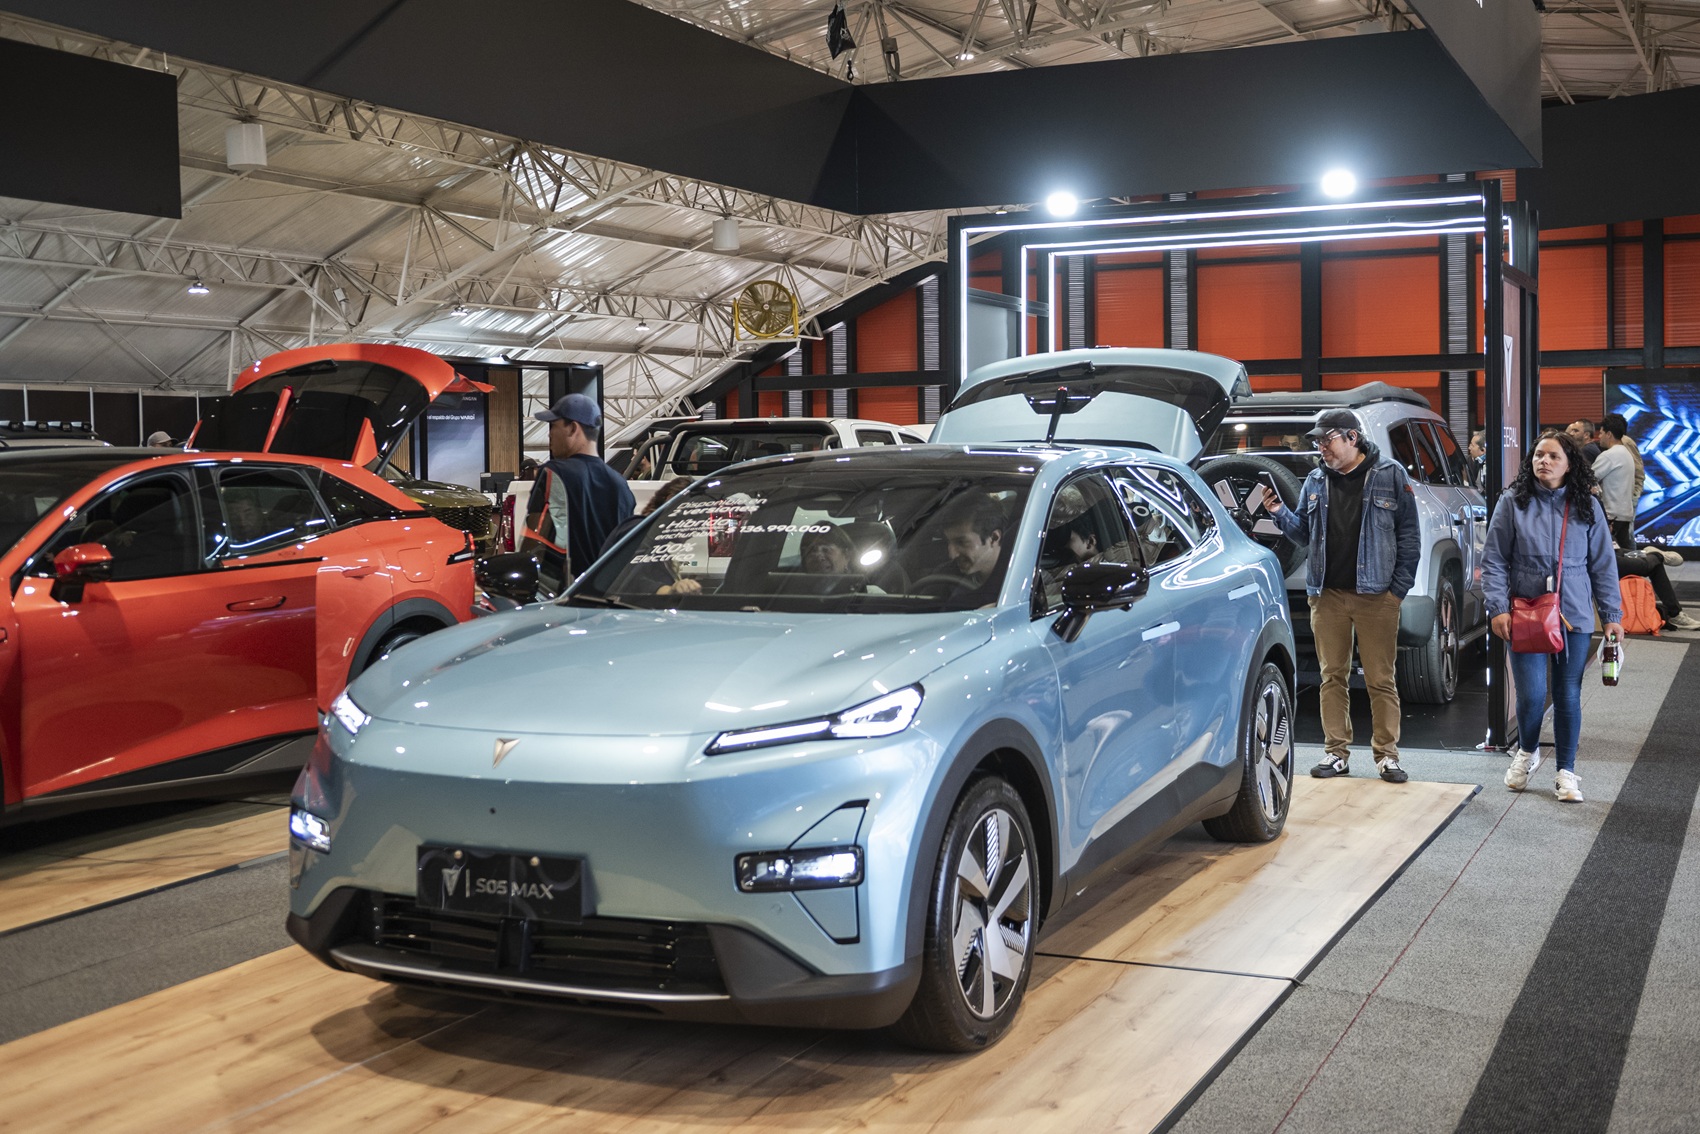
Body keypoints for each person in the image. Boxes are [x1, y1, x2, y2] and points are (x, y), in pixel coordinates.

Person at [1255, 408, 1420, 785]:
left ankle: (1387, 756)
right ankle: (1336, 752)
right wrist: (1279, 512)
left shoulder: (1389, 474)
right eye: (1317, 441)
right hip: (1327, 596)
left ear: (1352, 438)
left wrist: (1397, 591)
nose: (1321, 447)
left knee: (1381, 678)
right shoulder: (1316, 479)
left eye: (1326, 439)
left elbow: (1409, 536)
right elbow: (1303, 534)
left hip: (1377, 596)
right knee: (1332, 677)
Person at [1481, 430, 1623, 803]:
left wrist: (1611, 615)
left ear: (1570, 464)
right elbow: (1494, 560)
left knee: (1567, 694)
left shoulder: (1587, 505)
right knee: (1531, 695)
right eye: (1539, 455)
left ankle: (1566, 772)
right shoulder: (1512, 502)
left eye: (1553, 456)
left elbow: (1603, 565)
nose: (1544, 461)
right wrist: (1497, 608)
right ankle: (1527, 751)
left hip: (1573, 612)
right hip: (1525, 612)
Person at [523, 393, 635, 590]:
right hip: (605, 596)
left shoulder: (553, 474)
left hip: (563, 595)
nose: (549, 434)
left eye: (553, 426)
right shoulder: (621, 485)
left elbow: (534, 543)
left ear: (573, 428)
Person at [935, 493, 1007, 606]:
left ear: (994, 538)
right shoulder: (944, 577)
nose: (952, 555)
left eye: (962, 542)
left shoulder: (1016, 583)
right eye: (948, 542)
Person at [1615, 545, 1700, 631]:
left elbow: (1617, 550)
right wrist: (1657, 556)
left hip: (1613, 556)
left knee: (1654, 564)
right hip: (1610, 564)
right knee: (1651, 563)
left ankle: (1674, 613)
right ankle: (1658, 555)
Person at [1592, 413, 1636, 549]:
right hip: (1624, 514)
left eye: (1601, 433)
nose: (1599, 437)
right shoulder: (1626, 453)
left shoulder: (1609, 455)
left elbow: (1588, 478)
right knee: (1624, 552)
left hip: (1611, 516)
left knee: (1610, 554)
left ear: (1609, 434)